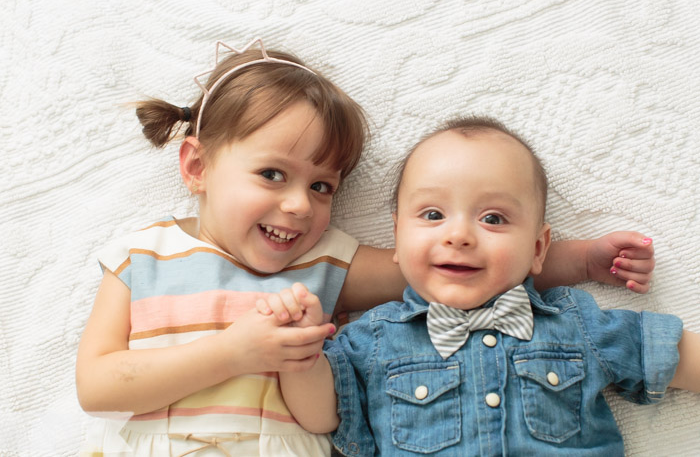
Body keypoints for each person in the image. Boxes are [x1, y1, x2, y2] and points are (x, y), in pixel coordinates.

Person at [75, 36, 655, 456]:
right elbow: (95, 387)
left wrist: (579, 259)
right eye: (273, 175)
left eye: (322, 185)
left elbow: (452, 266)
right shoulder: (141, 255)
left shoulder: (325, 260)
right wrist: (234, 353)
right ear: (197, 164)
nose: (301, 205)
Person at [274, 116, 700, 456]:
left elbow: (673, 355)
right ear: (398, 240)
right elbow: (320, 416)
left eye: (493, 218)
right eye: (433, 215)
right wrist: (301, 353)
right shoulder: (372, 339)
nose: (458, 235)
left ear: (537, 249)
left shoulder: (575, 323)